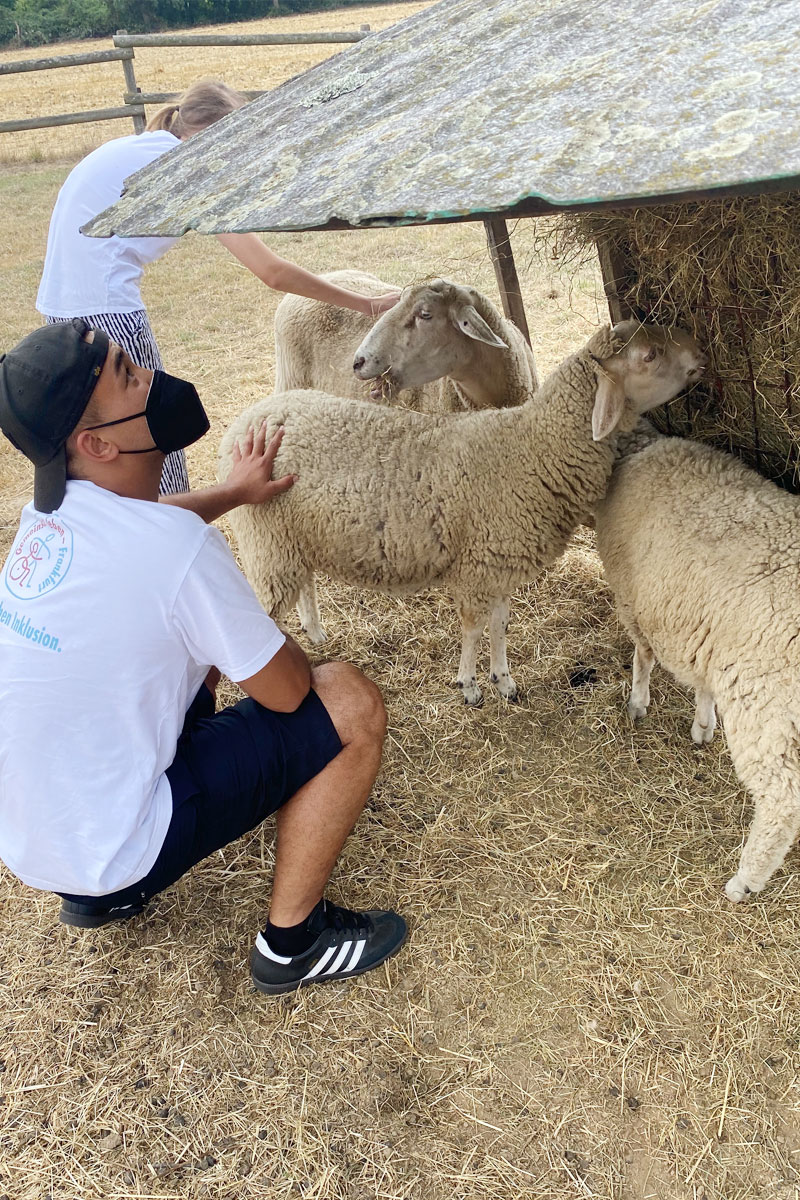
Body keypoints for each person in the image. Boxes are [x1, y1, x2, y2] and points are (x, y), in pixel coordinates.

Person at [0, 320, 407, 995]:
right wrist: (266, 642)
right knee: (348, 699)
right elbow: (285, 693)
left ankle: (99, 899)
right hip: (119, 845)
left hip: (39, 845)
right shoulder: (176, 555)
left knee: (180, 659)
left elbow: (153, 527)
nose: (152, 380)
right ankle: (291, 946)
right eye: (130, 377)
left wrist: (235, 495)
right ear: (96, 442)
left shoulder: (40, 528)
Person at [36, 78, 400, 496]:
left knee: (103, 439)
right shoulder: (189, 165)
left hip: (60, 315)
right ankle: (171, 525)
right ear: (215, 135)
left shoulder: (143, 147)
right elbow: (272, 272)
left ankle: (132, 526)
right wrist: (367, 304)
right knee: (154, 433)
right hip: (108, 312)